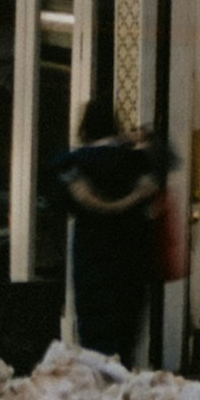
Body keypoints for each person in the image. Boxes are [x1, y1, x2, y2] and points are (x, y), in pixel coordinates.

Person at [51, 101, 164, 362]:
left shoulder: (75, 165)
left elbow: (56, 183)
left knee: (94, 333)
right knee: (125, 333)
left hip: (91, 258)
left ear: (85, 128)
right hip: (130, 256)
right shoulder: (135, 162)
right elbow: (166, 157)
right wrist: (129, 139)